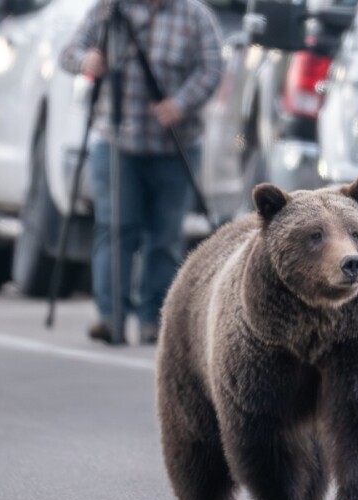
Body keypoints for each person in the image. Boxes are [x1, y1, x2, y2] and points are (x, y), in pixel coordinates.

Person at [60, 0, 223, 345]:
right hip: (116, 142)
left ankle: (155, 320)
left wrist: (180, 103)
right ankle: (110, 316)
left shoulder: (194, 15)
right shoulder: (108, 10)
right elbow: (69, 53)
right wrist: (86, 60)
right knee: (115, 228)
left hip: (174, 145)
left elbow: (211, 69)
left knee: (164, 238)